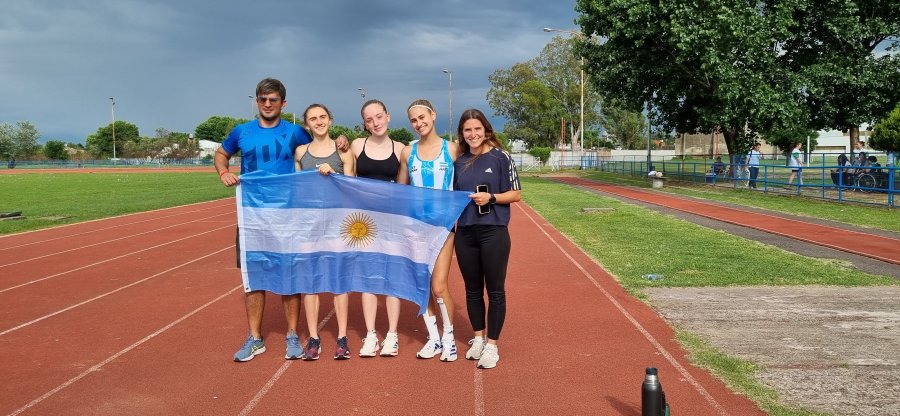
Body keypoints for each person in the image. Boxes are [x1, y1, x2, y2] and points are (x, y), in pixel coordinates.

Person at [215, 78, 310, 362]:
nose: (267, 104)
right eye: (262, 99)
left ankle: (292, 335)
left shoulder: (295, 132)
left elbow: (319, 149)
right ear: (256, 101)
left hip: (287, 214)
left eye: (273, 100)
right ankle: (255, 338)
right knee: (253, 276)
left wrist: (340, 142)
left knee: (289, 275)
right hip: (252, 214)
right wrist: (224, 172)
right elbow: (221, 154)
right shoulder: (241, 131)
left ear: (283, 103)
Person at [452, 109, 521, 369]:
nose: (473, 134)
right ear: (462, 133)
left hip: (494, 231)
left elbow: (516, 194)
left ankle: (492, 345)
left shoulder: (501, 157)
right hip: (466, 233)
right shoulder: (459, 162)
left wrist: (491, 198)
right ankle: (478, 339)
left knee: (495, 290)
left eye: (477, 129)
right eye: (468, 130)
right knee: (472, 290)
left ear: (486, 130)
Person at [396, 99, 461, 362]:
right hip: (416, 228)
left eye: (422, 117)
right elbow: (399, 191)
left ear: (433, 115)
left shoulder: (452, 149)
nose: (418, 123)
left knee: (439, 286)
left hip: (444, 227)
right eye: (413, 120)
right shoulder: (407, 153)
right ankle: (434, 339)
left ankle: (449, 339)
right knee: (422, 286)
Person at [294, 103, 356, 360]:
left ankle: (342, 338)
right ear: (307, 124)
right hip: (309, 225)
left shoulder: (343, 151)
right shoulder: (300, 152)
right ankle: (313, 338)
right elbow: (296, 189)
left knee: (338, 280)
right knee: (310, 282)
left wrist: (334, 177)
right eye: (313, 119)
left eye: (322, 117)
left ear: (330, 120)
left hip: (337, 225)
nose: (318, 122)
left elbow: (352, 189)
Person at [351, 99, 407, 357]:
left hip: (392, 222)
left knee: (391, 277)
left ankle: (392, 335)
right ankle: (371, 334)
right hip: (364, 224)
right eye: (369, 119)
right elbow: (347, 180)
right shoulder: (357, 146)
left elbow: (405, 189)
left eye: (379, 116)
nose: (375, 123)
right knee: (368, 278)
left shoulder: (401, 149)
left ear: (388, 116)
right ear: (364, 124)